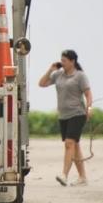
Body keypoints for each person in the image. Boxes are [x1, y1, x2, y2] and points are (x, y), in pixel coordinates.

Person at [38, 49, 93, 186]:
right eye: (61, 60)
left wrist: (89, 109)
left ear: (72, 61)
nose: (62, 63)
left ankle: (64, 175)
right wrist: (50, 69)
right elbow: (42, 83)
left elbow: (88, 94)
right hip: (63, 115)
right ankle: (82, 177)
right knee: (75, 146)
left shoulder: (80, 76)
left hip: (78, 113)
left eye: (64, 60)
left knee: (69, 143)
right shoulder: (58, 75)